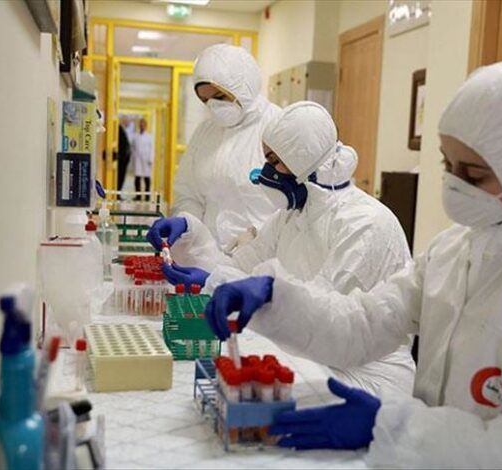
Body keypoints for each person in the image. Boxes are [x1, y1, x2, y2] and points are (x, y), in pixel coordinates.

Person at [203, 62, 502, 467]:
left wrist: (394, 429)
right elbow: (365, 323)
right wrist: (276, 301)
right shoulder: (454, 250)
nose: (452, 185)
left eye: (472, 174)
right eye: (446, 164)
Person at [148, 102, 416, 396]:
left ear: (304, 162)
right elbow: (240, 267)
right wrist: (191, 236)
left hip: (367, 378)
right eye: (267, 159)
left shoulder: (364, 224)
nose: (266, 172)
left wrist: (249, 291)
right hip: (308, 356)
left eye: (276, 161)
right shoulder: (292, 215)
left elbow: (329, 320)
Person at [173, 44, 281, 250]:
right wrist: (187, 224)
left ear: (244, 86)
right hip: (208, 254)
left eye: (220, 97)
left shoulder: (278, 127)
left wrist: (259, 240)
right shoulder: (205, 133)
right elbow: (188, 193)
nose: (214, 106)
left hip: (265, 256)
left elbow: (295, 208)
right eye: (205, 100)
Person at [132, 118, 154, 200]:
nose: (142, 126)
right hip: (137, 159)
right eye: (140, 124)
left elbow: (152, 149)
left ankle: (147, 196)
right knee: (137, 177)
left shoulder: (149, 137)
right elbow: (133, 148)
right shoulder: (135, 136)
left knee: (147, 178)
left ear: (146, 126)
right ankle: (138, 196)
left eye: (143, 124)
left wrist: (151, 159)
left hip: (146, 159)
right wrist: (134, 158)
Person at [117, 116, 132, 192]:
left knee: (122, 177)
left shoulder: (123, 130)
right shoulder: (119, 129)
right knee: (120, 176)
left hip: (124, 159)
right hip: (121, 159)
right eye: (127, 121)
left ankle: (118, 192)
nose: (128, 123)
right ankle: (117, 192)